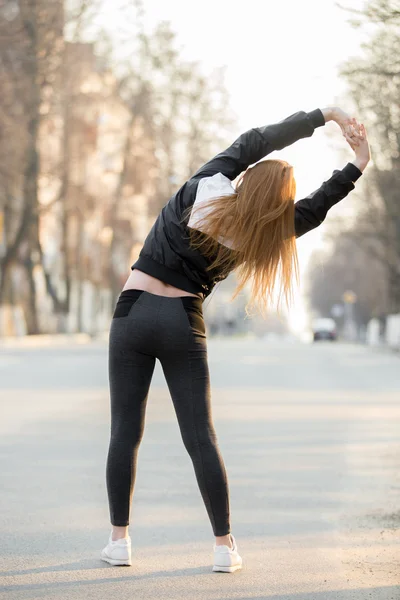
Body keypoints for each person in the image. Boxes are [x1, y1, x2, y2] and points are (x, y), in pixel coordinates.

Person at [100, 108, 370, 572]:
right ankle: (224, 547)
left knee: (125, 431)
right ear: (275, 206)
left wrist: (324, 115)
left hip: (133, 311)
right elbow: (315, 208)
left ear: (247, 181)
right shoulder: (259, 235)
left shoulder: (204, 185)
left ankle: (119, 541)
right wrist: (358, 164)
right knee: (200, 436)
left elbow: (254, 141)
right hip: (183, 322)